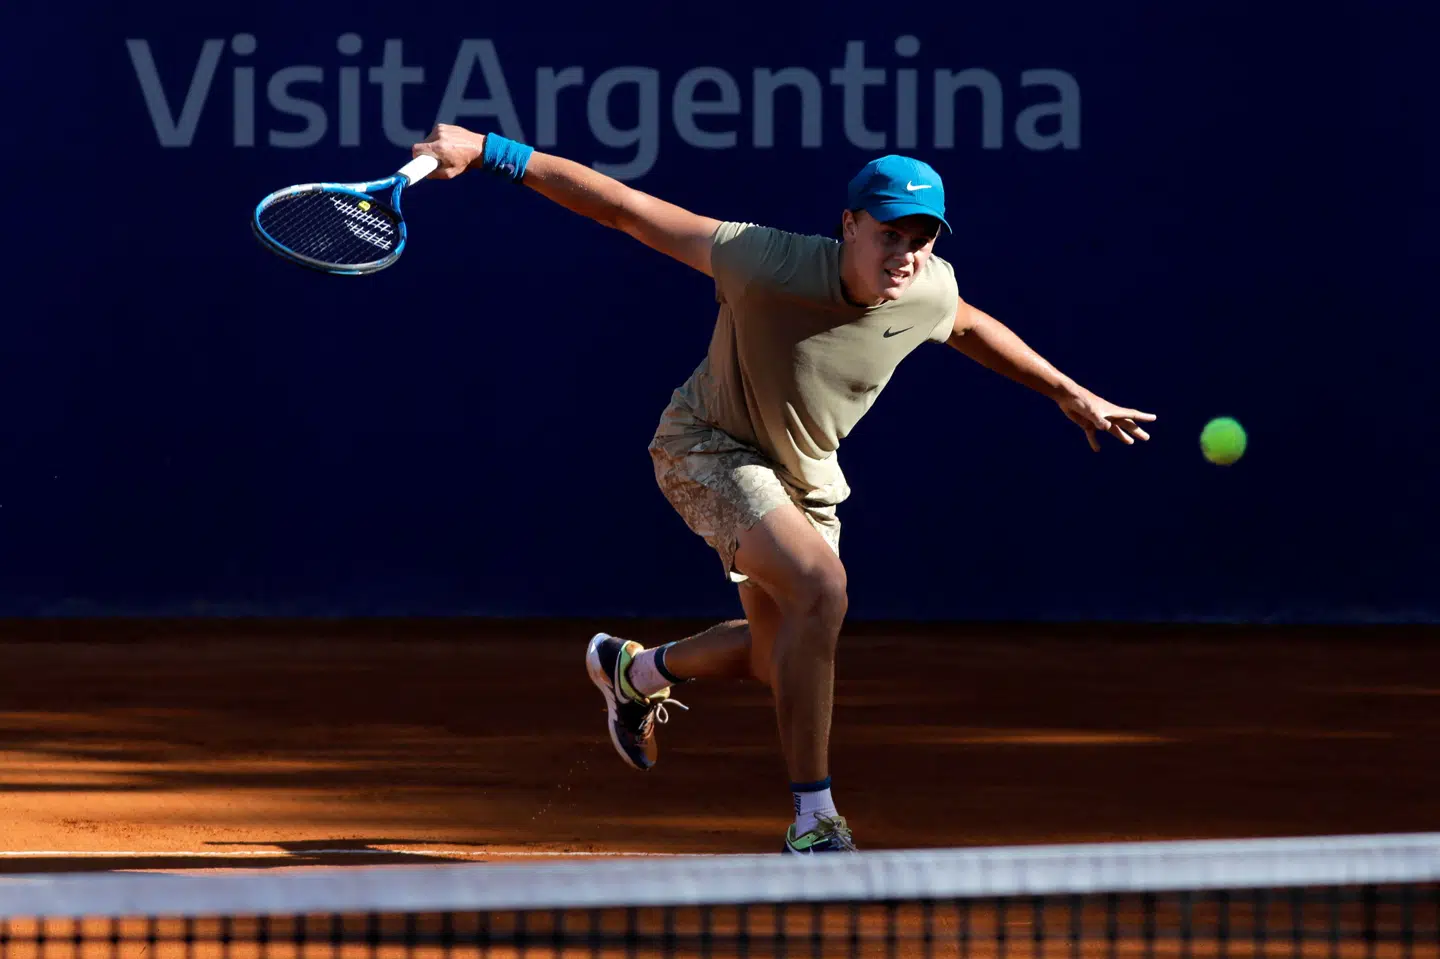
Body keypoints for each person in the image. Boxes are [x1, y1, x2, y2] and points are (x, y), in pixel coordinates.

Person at [410, 124, 1156, 855]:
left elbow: (965, 326)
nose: (905, 253)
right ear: (849, 225)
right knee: (821, 587)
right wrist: (490, 152)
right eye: (890, 233)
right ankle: (814, 819)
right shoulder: (764, 260)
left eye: (921, 237)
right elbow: (625, 209)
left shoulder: (927, 287)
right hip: (707, 446)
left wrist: (1068, 391)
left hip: (807, 475)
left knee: (781, 656)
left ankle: (633, 672)